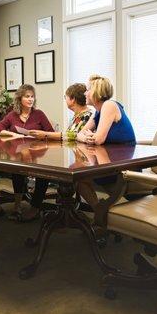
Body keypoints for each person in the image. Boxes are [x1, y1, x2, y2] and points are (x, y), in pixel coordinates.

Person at [22, 83, 93, 221]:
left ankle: (37, 208)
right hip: (74, 156)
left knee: (43, 171)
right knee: (44, 166)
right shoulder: (78, 115)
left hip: (83, 160)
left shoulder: (88, 115)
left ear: (72, 99)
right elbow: (70, 137)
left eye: (65, 97)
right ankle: (55, 207)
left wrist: (46, 135)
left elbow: (74, 136)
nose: (65, 100)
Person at [0, 84, 54, 221]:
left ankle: (32, 206)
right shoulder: (13, 115)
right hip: (17, 153)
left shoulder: (39, 114)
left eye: (32, 96)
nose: (30, 99)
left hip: (36, 154)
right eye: (27, 96)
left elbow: (52, 133)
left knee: (41, 172)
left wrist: (41, 134)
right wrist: (12, 135)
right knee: (4, 167)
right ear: (20, 99)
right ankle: (15, 205)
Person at [75, 74, 136, 209]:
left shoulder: (109, 105)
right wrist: (86, 137)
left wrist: (93, 137)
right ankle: (100, 211)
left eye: (88, 89)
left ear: (96, 91)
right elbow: (79, 134)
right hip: (110, 162)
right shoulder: (98, 111)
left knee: (78, 177)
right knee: (77, 176)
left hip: (123, 166)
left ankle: (99, 212)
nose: (85, 93)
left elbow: (98, 140)